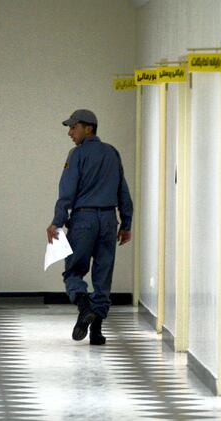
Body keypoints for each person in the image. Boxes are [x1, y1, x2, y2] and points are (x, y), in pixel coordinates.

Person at [46, 109, 133, 345]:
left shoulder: (76, 155)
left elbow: (67, 192)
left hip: (83, 220)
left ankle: (84, 308)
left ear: (89, 128)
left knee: (73, 271)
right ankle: (96, 332)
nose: (70, 132)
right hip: (108, 220)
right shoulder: (112, 153)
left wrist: (57, 221)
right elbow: (122, 190)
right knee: (103, 277)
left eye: (73, 127)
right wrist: (126, 223)